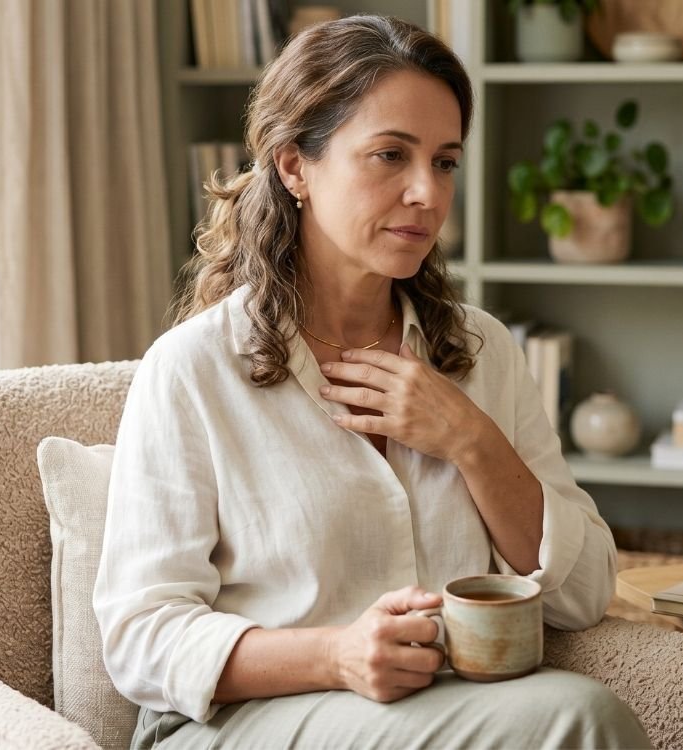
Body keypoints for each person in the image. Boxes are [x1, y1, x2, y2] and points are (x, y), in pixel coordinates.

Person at [92, 15, 651, 750]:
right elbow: (140, 635)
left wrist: (473, 442)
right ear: (295, 167)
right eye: (390, 155)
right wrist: (337, 654)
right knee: (582, 719)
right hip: (235, 723)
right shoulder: (193, 369)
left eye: (445, 162)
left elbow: (582, 596)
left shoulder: (484, 353)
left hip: (446, 707)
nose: (427, 192)